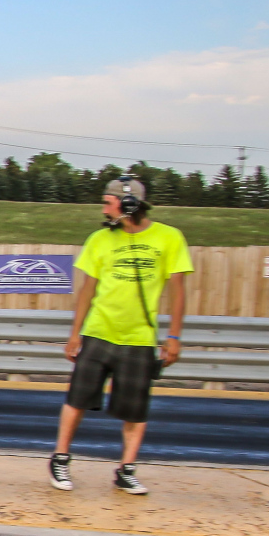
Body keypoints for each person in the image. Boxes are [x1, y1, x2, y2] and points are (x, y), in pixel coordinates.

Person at [50, 176, 192, 496]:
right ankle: (60, 459)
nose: (103, 210)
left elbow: (178, 290)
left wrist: (174, 336)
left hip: (139, 338)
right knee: (77, 399)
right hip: (98, 332)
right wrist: (75, 334)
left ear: (128, 204)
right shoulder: (99, 239)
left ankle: (126, 470)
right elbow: (87, 289)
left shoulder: (169, 237)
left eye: (108, 203)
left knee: (135, 410)